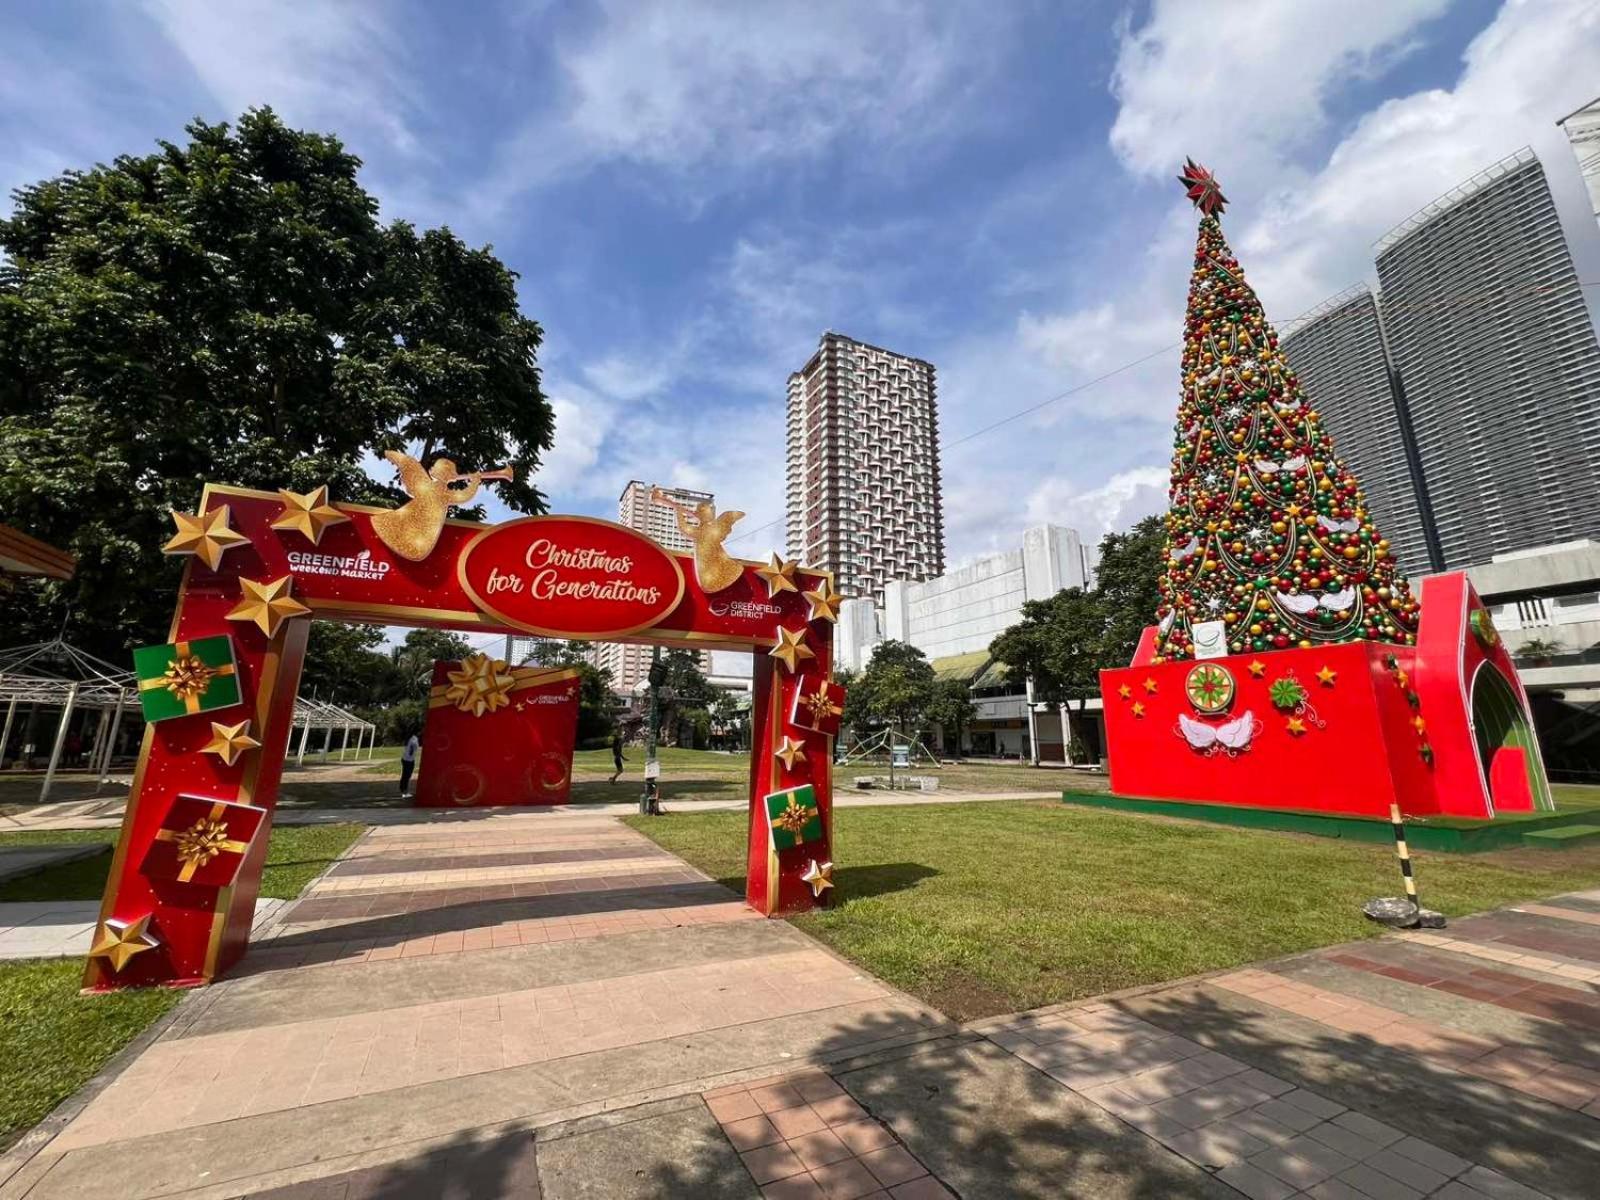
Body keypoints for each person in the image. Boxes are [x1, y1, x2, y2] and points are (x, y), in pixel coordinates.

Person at [399, 731, 420, 797]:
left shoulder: (409, 738)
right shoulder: (414, 739)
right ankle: (404, 792)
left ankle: (403, 790)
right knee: (407, 776)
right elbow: (413, 748)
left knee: (405, 775)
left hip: (405, 759)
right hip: (409, 760)